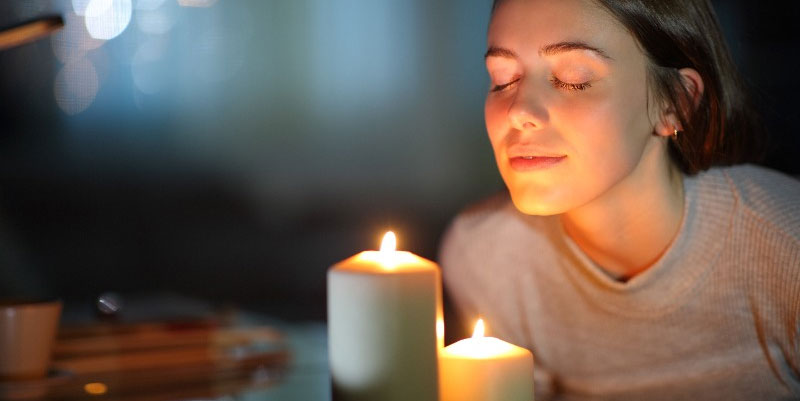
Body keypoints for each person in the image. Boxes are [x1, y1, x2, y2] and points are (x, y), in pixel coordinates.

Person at [438, 0, 800, 399]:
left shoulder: (786, 249)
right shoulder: (485, 257)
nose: (519, 111)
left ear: (675, 102)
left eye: (574, 79)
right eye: (503, 79)